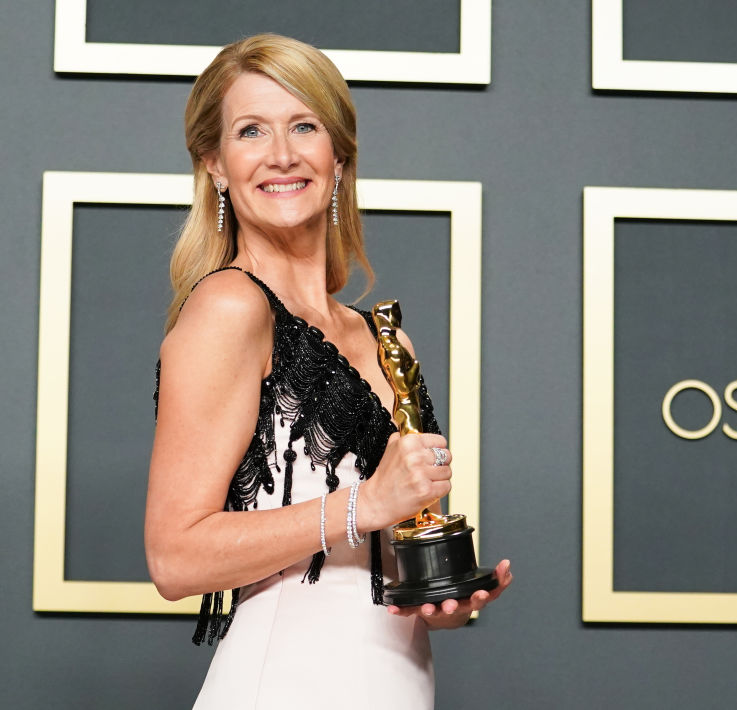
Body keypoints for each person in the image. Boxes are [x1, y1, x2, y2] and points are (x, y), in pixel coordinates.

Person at [144, 34, 512, 708]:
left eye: (304, 126)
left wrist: (447, 597)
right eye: (251, 130)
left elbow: (393, 558)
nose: (281, 154)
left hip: (395, 683)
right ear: (215, 164)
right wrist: (364, 504)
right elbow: (174, 557)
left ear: (338, 156)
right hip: (285, 682)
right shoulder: (231, 306)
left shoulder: (384, 337)